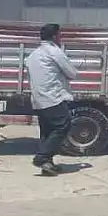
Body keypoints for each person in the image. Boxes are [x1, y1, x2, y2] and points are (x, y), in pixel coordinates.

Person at [25, 23, 78, 176]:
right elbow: (72, 73)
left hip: (38, 99)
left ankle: (47, 165)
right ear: (55, 36)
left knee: (47, 132)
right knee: (63, 126)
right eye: (60, 35)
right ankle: (42, 158)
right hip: (53, 98)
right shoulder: (54, 52)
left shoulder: (33, 54)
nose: (60, 38)